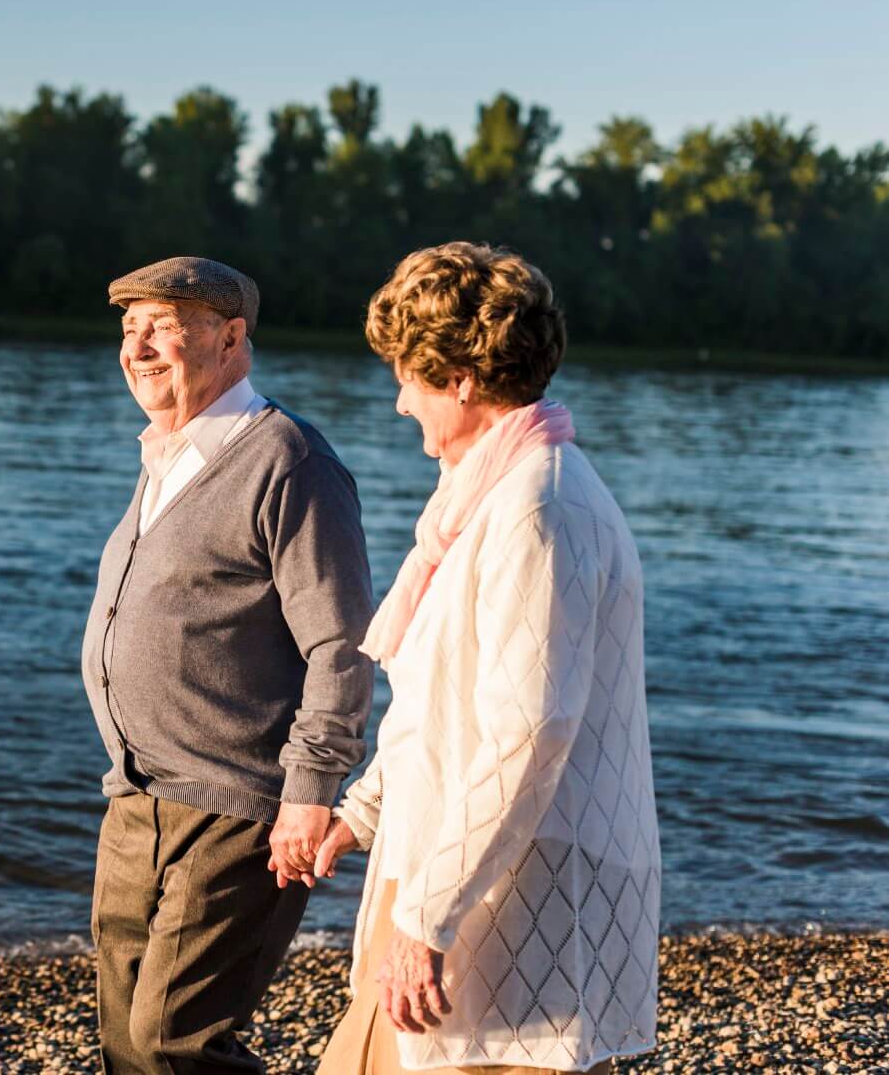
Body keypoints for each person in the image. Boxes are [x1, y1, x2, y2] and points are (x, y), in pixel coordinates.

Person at [311, 242, 661, 1074]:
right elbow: (440, 700)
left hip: (510, 895)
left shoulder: (539, 507)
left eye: (409, 376)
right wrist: (363, 814)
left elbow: (527, 732)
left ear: (462, 378)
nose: (400, 402)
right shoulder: (482, 497)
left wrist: (429, 918)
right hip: (443, 863)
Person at [82, 255, 376, 1073]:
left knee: (176, 1044)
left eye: (164, 328)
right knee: (124, 1048)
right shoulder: (165, 459)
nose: (138, 347)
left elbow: (341, 644)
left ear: (232, 337)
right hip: (136, 800)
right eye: (129, 328)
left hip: (239, 808)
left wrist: (309, 793)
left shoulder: (289, 461)